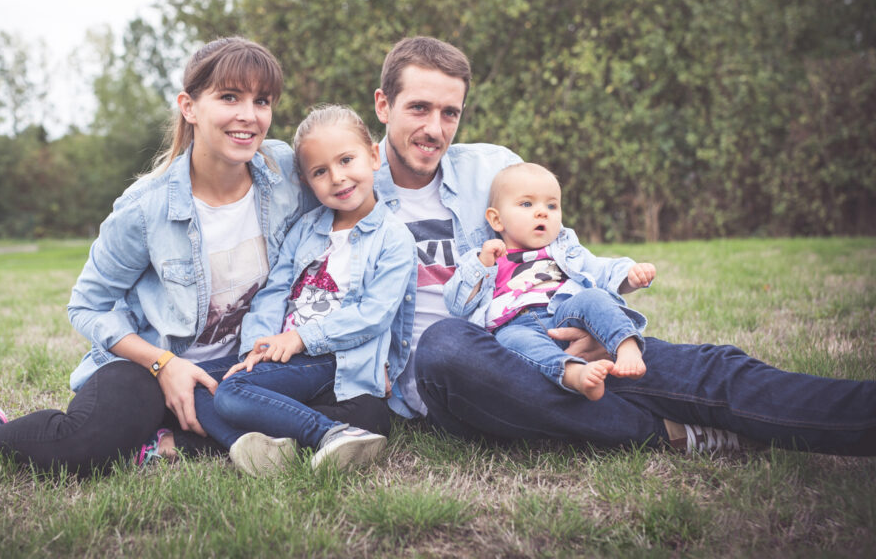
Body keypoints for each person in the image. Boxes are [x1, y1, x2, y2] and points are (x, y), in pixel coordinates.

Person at [0, 37, 386, 476]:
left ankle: (161, 445)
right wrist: (164, 364)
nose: (249, 116)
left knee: (366, 411)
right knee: (85, 443)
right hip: (155, 367)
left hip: (242, 370)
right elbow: (88, 305)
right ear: (190, 107)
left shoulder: (285, 172)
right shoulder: (147, 207)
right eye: (230, 97)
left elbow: (358, 174)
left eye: (262, 100)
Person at [373, 35, 875, 455]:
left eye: (450, 113)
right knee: (445, 344)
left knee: (710, 370)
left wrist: (593, 319)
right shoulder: (346, 186)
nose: (434, 129)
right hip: (465, 372)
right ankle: (664, 434)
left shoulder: (491, 167)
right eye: (419, 108)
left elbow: (558, 255)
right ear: (383, 105)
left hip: (554, 332)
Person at [198, 105, 416, 475]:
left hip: (334, 359)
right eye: (320, 171)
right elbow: (274, 291)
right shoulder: (307, 229)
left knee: (233, 393)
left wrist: (300, 338)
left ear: (374, 156)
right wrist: (257, 346)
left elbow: (373, 315)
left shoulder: (394, 238)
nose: (338, 177)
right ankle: (256, 448)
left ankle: (328, 432)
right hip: (287, 355)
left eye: (347, 160)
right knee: (198, 383)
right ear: (306, 181)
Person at [444, 162, 652, 401]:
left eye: (552, 205)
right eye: (526, 204)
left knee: (593, 297)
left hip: (565, 311)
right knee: (509, 341)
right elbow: (457, 304)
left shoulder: (564, 250)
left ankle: (626, 347)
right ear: (496, 219)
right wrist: (482, 264)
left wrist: (630, 275)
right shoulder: (486, 257)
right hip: (516, 325)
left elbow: (601, 270)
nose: (542, 212)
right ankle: (574, 373)